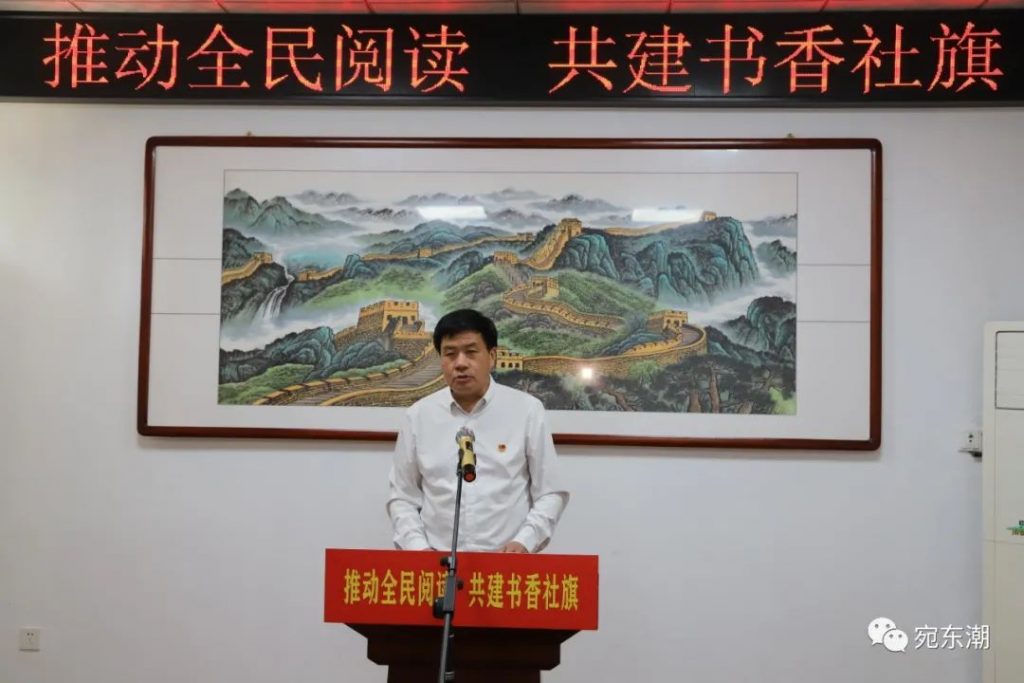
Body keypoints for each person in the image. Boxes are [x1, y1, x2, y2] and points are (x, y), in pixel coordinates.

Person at [387, 308, 569, 553]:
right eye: (450, 354)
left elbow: (551, 491)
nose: (460, 363)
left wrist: (525, 542)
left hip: (505, 565)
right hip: (436, 562)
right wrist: (418, 549)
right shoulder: (418, 416)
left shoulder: (527, 410)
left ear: (492, 356)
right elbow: (402, 496)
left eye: (471, 352)